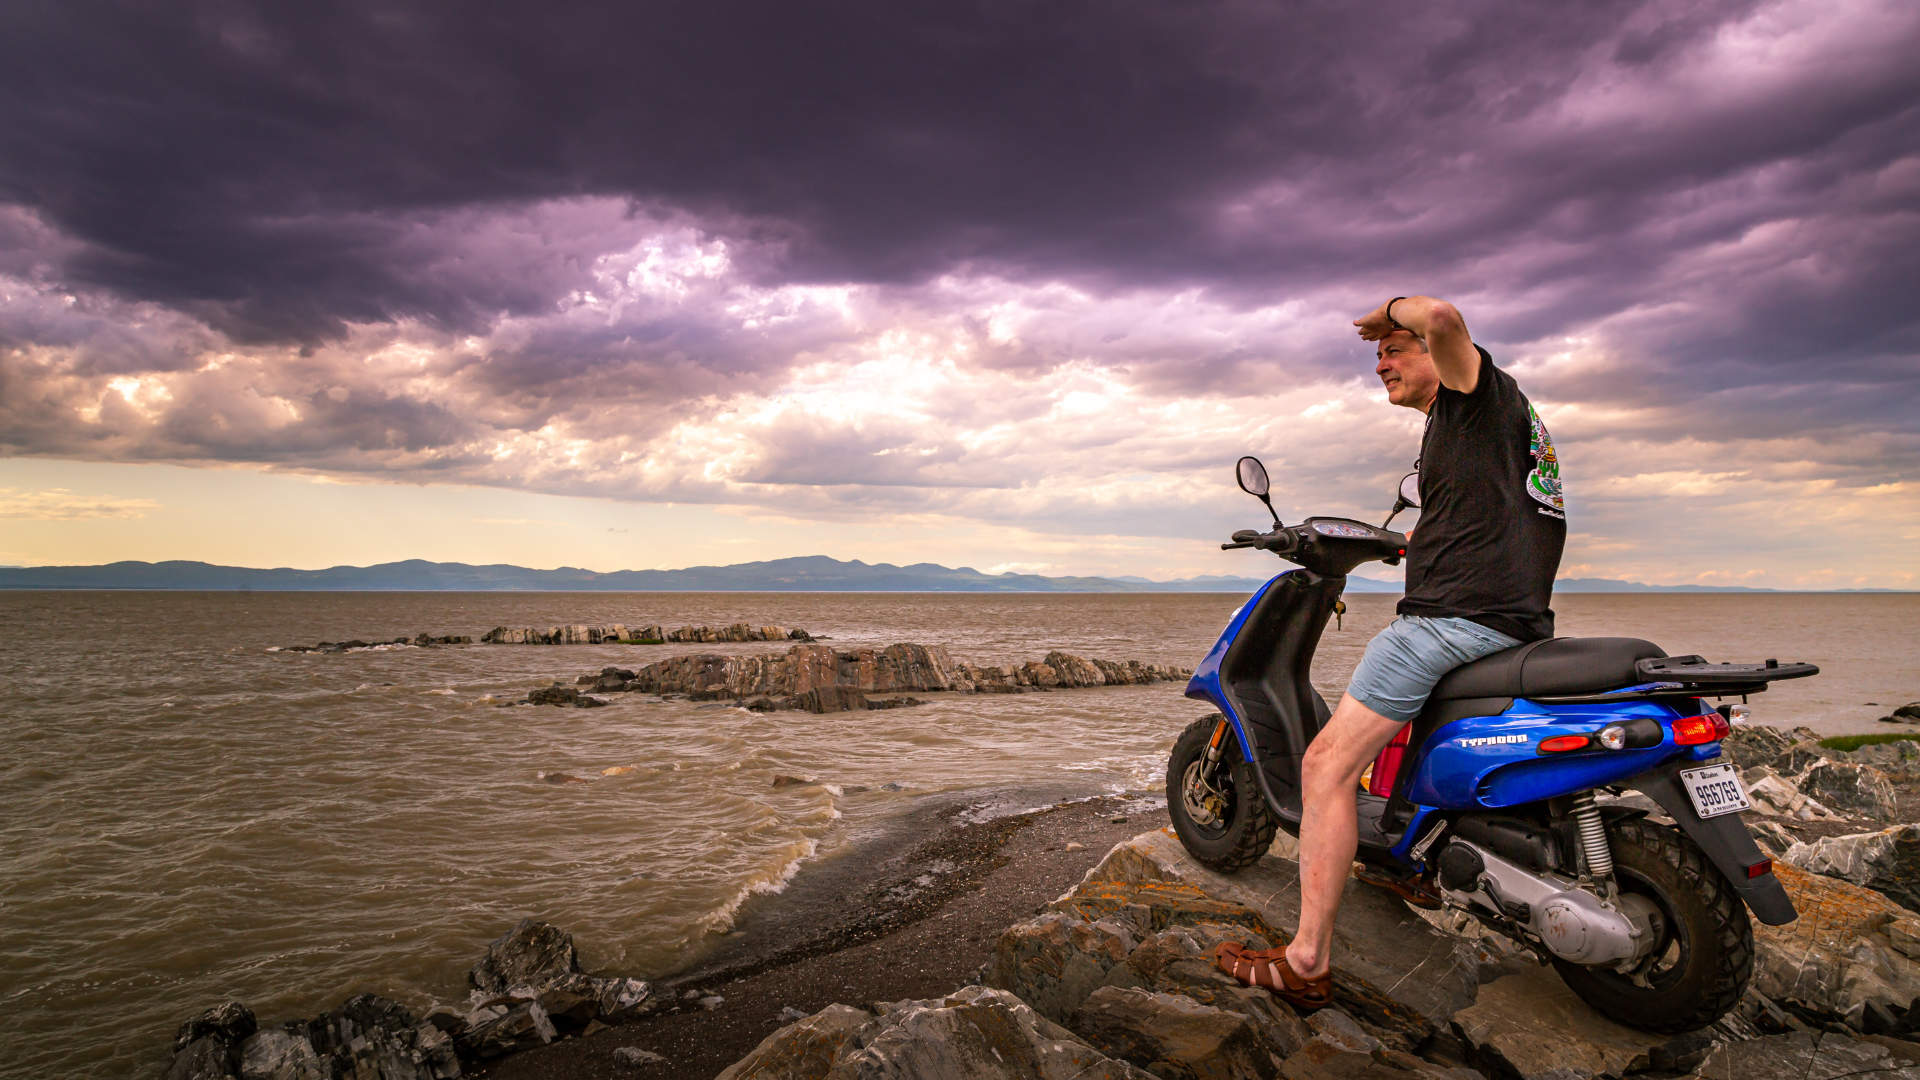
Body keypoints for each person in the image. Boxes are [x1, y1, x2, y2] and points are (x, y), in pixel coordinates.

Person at [1214, 295, 1566, 1009]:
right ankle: (1410, 861)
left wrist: (1389, 312)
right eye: (1380, 352)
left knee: (1324, 762)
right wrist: (1401, 543)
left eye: (1392, 351)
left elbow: (1441, 316)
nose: (1380, 362)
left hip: (1450, 623)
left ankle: (1306, 959)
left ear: (1435, 356)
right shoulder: (1491, 423)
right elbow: (1485, 517)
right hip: (1512, 620)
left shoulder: (1474, 393)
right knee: (1399, 737)